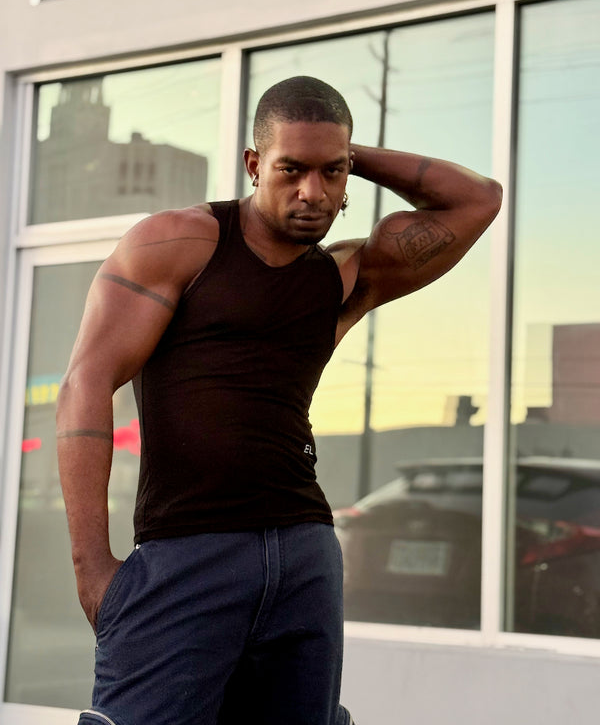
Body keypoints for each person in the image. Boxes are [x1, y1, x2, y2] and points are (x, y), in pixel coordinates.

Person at [57, 75, 502, 725]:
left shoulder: (345, 274)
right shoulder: (179, 242)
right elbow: (85, 385)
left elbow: (478, 199)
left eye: (332, 173)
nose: (312, 192)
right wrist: (92, 567)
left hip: (304, 553)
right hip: (187, 552)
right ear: (254, 164)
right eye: (291, 169)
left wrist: (344, 151)